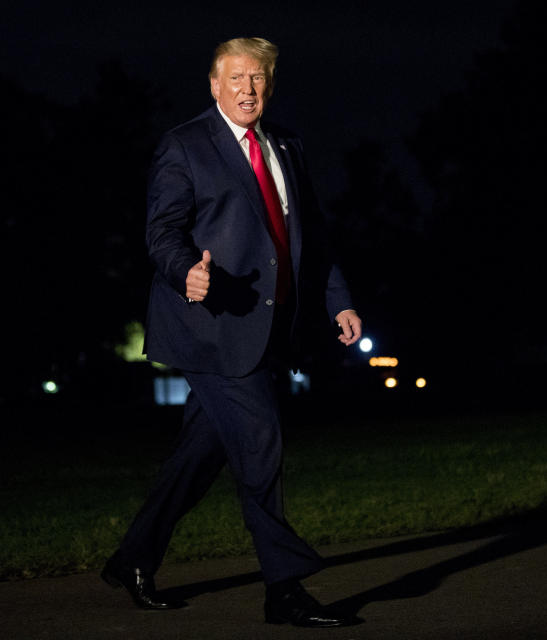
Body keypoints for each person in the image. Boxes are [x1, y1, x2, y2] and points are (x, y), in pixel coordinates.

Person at [101, 37, 363, 628]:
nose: (249, 89)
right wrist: (185, 271)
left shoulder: (287, 145)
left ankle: (134, 558)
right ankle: (285, 589)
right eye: (237, 78)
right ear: (215, 85)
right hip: (206, 327)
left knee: (202, 451)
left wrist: (337, 301)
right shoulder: (185, 145)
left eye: (259, 79)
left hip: (266, 326)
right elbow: (163, 232)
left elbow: (311, 235)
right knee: (260, 438)